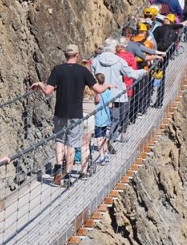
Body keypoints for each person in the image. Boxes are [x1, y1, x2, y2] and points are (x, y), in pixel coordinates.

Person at [30, 45, 109, 185]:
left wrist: (40, 84)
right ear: (77, 55)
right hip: (76, 114)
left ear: (65, 55)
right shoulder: (83, 71)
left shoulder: (57, 70)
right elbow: (98, 89)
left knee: (60, 141)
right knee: (71, 144)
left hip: (60, 112)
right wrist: (107, 86)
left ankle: (58, 165)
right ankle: (67, 176)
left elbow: (47, 91)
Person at [90, 39, 143, 143]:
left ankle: (100, 139)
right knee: (115, 117)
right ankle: (112, 138)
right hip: (116, 92)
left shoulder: (96, 60)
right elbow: (131, 74)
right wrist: (143, 72)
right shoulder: (119, 61)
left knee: (100, 116)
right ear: (114, 48)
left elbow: (92, 76)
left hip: (101, 92)